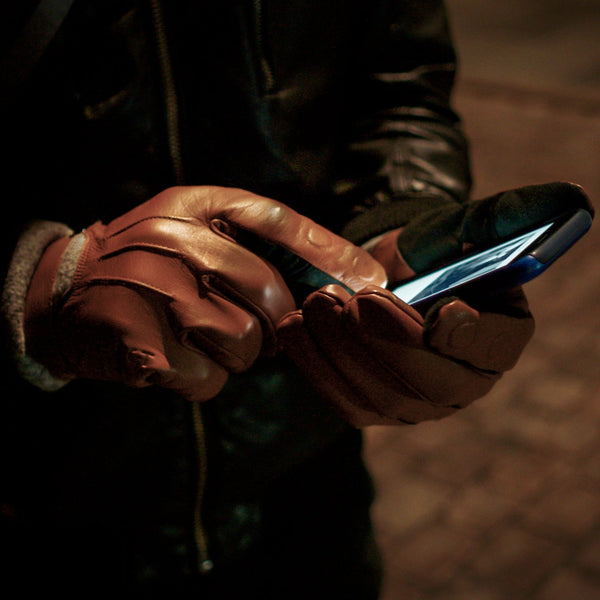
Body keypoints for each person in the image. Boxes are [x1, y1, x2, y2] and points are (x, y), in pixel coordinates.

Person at [0, 1, 592, 598]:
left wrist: (399, 218)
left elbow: (403, 86)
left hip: (305, 480)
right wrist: (30, 282)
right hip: (37, 498)